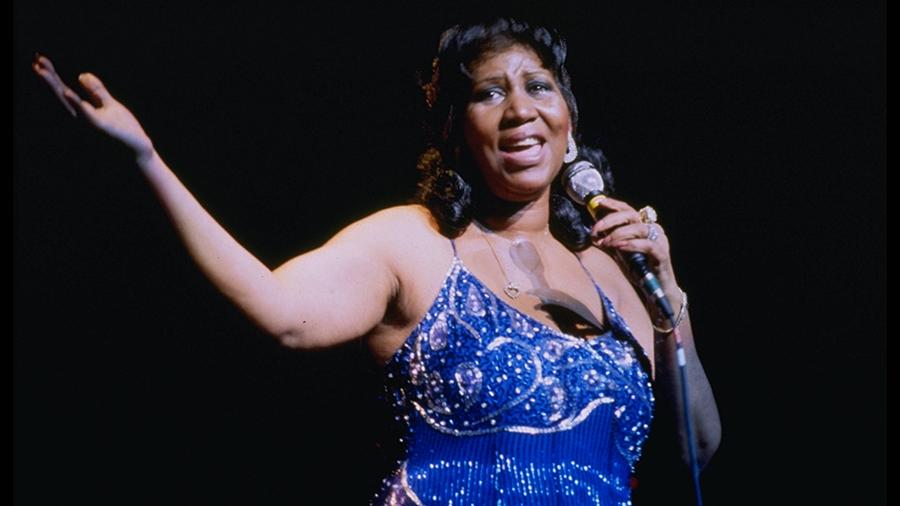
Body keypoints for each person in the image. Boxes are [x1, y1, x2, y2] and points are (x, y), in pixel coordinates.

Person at [33, 15, 720, 505]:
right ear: (456, 133)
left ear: (568, 122)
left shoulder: (614, 271)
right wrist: (147, 160)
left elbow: (696, 450)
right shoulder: (414, 244)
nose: (519, 110)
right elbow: (282, 313)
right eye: (489, 93)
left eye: (538, 87)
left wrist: (670, 300)